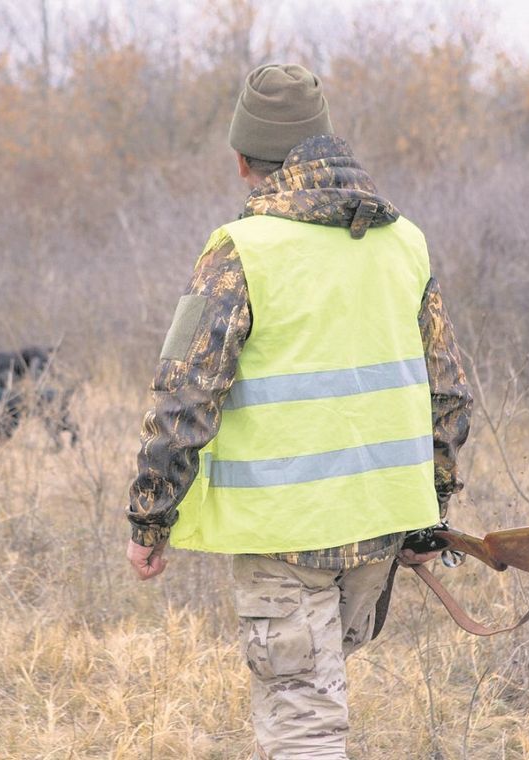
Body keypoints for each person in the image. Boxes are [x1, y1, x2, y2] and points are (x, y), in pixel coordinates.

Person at [123, 63, 473, 759]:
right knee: (318, 691)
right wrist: (430, 509)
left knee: (304, 719)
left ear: (242, 159)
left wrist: (149, 516)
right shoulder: (405, 243)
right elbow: (449, 392)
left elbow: (184, 392)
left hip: (284, 533)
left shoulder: (240, 250)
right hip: (379, 524)